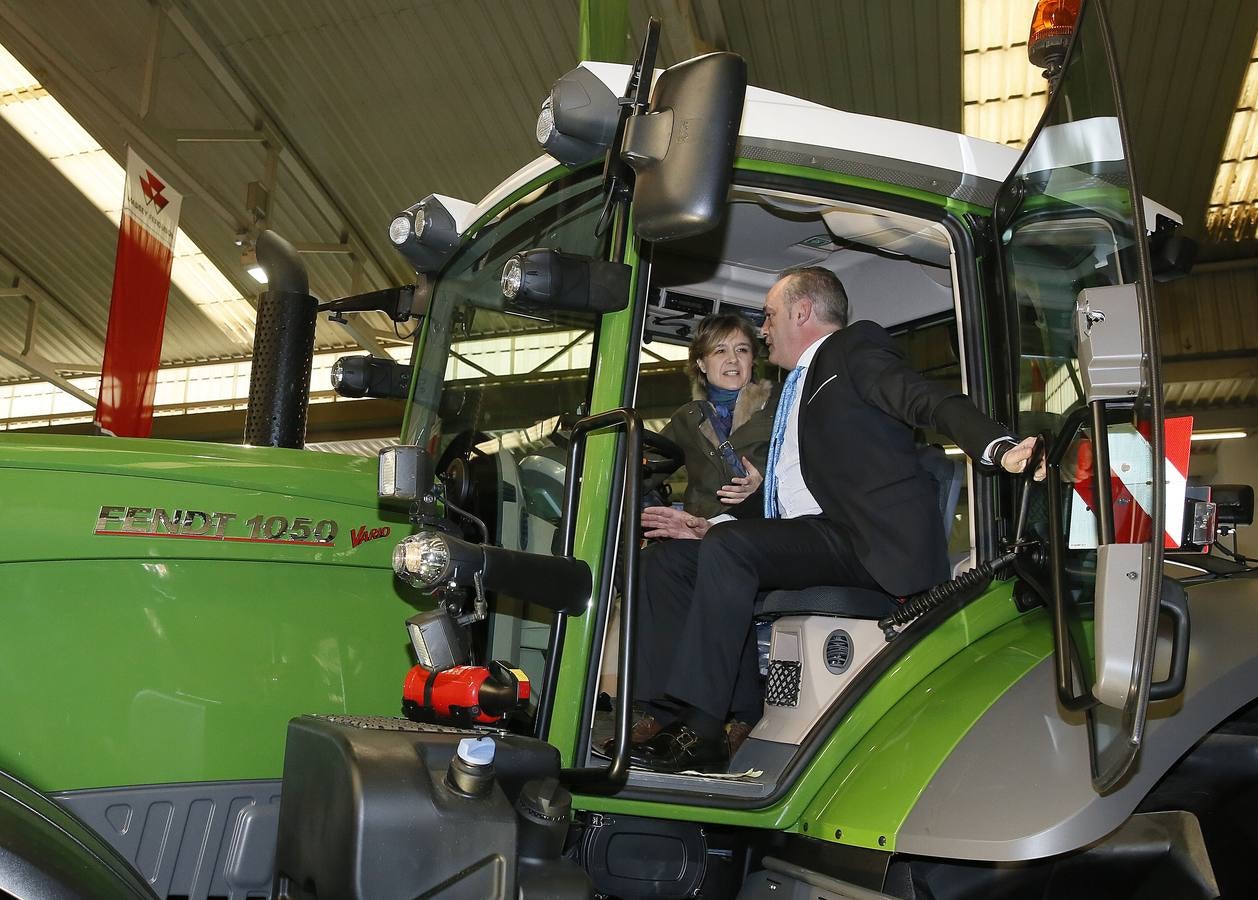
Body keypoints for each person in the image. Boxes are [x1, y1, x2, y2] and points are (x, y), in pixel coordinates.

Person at [628, 266, 1045, 773]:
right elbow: (797, 498)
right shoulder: (792, 392)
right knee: (668, 561)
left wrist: (997, 446)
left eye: (770, 316)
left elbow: (925, 399)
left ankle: (703, 728)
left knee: (731, 549)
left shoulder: (851, 351)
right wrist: (711, 524)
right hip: (815, 534)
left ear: (802, 312)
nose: (763, 330)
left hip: (863, 542)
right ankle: (678, 713)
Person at [605, 313, 777, 754]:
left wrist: (760, 487)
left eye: (741, 349)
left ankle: (737, 714)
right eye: (719, 350)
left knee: (709, 567)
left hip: (761, 532)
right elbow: (649, 465)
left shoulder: (778, 409)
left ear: (754, 358)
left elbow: (796, 477)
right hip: (698, 532)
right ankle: (661, 708)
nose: (732, 360)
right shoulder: (688, 417)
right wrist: (647, 512)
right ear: (700, 363)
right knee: (650, 562)